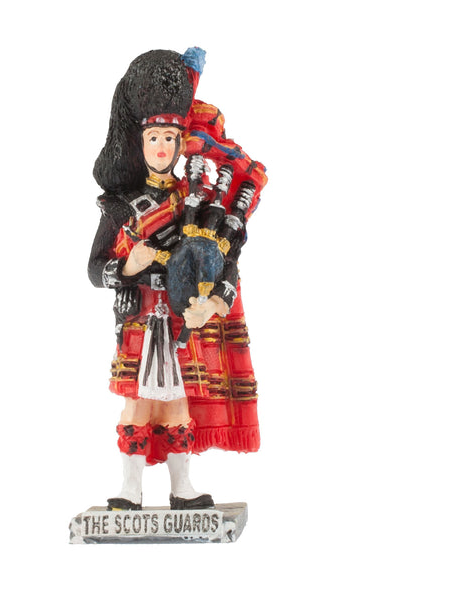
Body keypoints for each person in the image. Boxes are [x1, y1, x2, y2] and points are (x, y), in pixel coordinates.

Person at [88, 48, 267, 511]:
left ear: (181, 143)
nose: (162, 148)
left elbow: (226, 265)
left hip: (181, 321)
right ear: (140, 142)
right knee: (136, 404)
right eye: (154, 138)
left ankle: (182, 488)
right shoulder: (120, 208)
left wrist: (215, 303)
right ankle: (129, 490)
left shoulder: (202, 204)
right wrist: (129, 266)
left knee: (177, 405)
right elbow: (94, 270)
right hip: (139, 319)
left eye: (170, 137)